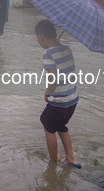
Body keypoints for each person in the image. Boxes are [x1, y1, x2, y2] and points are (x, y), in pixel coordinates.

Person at [35, 19, 81, 168]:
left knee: (47, 124)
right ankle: (71, 158)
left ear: (41, 37)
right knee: (61, 126)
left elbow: (53, 79)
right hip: (72, 100)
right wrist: (59, 45)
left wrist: (47, 93)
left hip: (59, 101)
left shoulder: (47, 54)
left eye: (38, 39)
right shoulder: (66, 49)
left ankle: (53, 163)